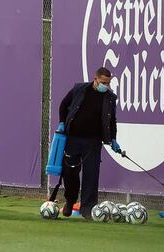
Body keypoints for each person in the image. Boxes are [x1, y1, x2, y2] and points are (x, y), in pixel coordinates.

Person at [58, 67, 120, 220]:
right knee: (70, 172)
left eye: (108, 83)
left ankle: (88, 209)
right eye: (103, 82)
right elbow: (63, 105)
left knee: (91, 175)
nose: (105, 86)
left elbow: (112, 120)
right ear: (95, 78)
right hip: (73, 138)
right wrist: (61, 123)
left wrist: (113, 138)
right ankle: (70, 201)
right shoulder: (79, 89)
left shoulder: (110, 97)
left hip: (93, 141)